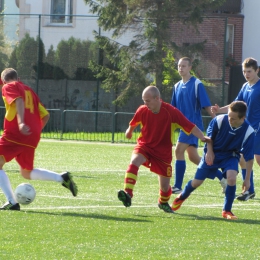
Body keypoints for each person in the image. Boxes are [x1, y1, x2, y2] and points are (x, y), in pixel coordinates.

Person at [117, 86, 210, 213]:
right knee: (134, 162)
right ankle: (128, 193)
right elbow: (133, 123)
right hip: (145, 146)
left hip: (163, 153)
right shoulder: (142, 110)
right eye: (144, 100)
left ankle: (163, 202)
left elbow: (190, 126)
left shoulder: (171, 112)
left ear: (157, 98)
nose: (145, 104)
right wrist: (129, 131)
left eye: (148, 101)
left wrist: (202, 137)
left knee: (165, 188)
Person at [0, 68, 78, 211]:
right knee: (26, 172)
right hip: (32, 136)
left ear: (4, 81)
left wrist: (21, 123)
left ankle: (12, 201)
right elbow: (46, 115)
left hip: (15, 133)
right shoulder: (30, 91)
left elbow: (18, 101)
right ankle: (61, 178)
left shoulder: (8, 86)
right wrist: (33, 131)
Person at [172, 101, 254, 219]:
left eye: (233, 118)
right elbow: (208, 139)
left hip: (230, 156)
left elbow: (249, 158)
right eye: (229, 116)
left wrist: (247, 180)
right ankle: (182, 196)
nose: (229, 119)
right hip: (213, 152)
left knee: (231, 178)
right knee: (196, 182)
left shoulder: (249, 131)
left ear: (243, 118)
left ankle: (227, 211)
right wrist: (209, 152)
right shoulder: (219, 120)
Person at [171, 57, 226, 194]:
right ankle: (222, 177)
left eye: (184, 66)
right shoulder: (177, 86)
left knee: (178, 151)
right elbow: (173, 110)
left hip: (192, 126)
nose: (181, 68)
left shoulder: (196, 84)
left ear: (190, 67)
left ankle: (177, 186)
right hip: (183, 127)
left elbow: (207, 106)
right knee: (194, 158)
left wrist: (217, 124)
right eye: (179, 66)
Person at [212, 57, 259, 201]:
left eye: (249, 71)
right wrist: (220, 110)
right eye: (244, 71)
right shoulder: (245, 86)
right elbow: (235, 105)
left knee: (252, 158)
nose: (246, 74)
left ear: (257, 70)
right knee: (245, 159)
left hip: (256, 130)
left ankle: (249, 190)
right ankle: (249, 190)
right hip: (246, 131)